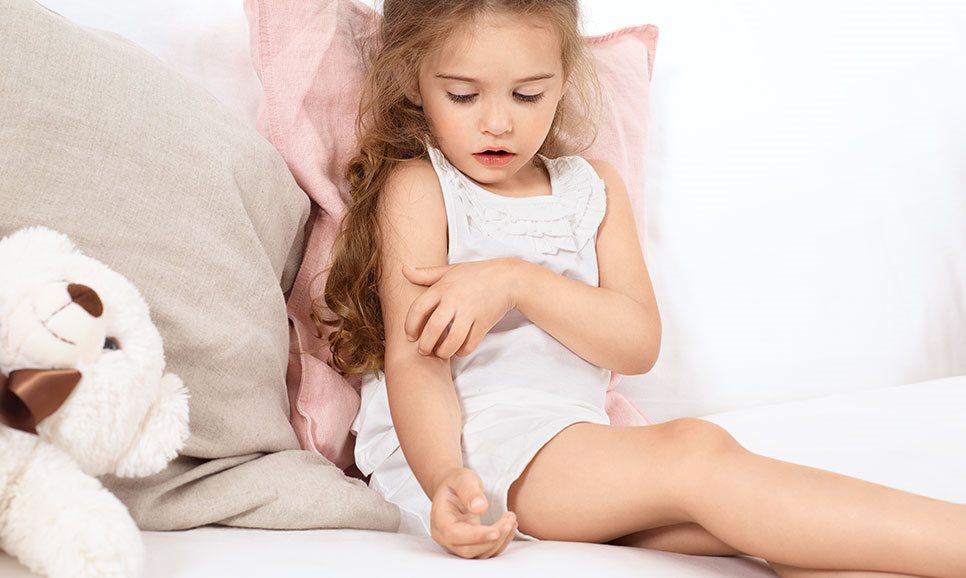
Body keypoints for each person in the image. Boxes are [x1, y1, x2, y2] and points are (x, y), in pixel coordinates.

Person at [314, 0, 966, 575]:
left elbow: (636, 344)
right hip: (473, 450)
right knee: (697, 452)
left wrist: (517, 281)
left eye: (528, 94)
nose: (498, 123)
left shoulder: (592, 189)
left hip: (572, 442)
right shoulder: (423, 188)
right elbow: (417, 363)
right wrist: (444, 480)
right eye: (463, 95)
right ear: (413, 78)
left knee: (776, 537)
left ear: (564, 77)